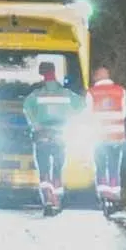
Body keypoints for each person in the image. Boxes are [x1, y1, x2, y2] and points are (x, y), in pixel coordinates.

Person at [21, 61, 84, 215]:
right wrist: (68, 116)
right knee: (57, 169)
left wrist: (35, 124)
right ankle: (56, 201)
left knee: (44, 170)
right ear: (55, 73)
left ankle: (48, 201)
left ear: (42, 75)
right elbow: (81, 105)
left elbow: (26, 108)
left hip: (42, 136)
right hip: (60, 136)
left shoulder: (36, 95)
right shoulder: (66, 94)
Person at [87, 65, 126, 215]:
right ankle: (115, 196)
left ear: (96, 76)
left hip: (98, 138)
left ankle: (104, 197)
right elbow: (124, 113)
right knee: (114, 167)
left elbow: (88, 115)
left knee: (100, 166)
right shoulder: (120, 91)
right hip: (117, 137)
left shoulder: (92, 93)